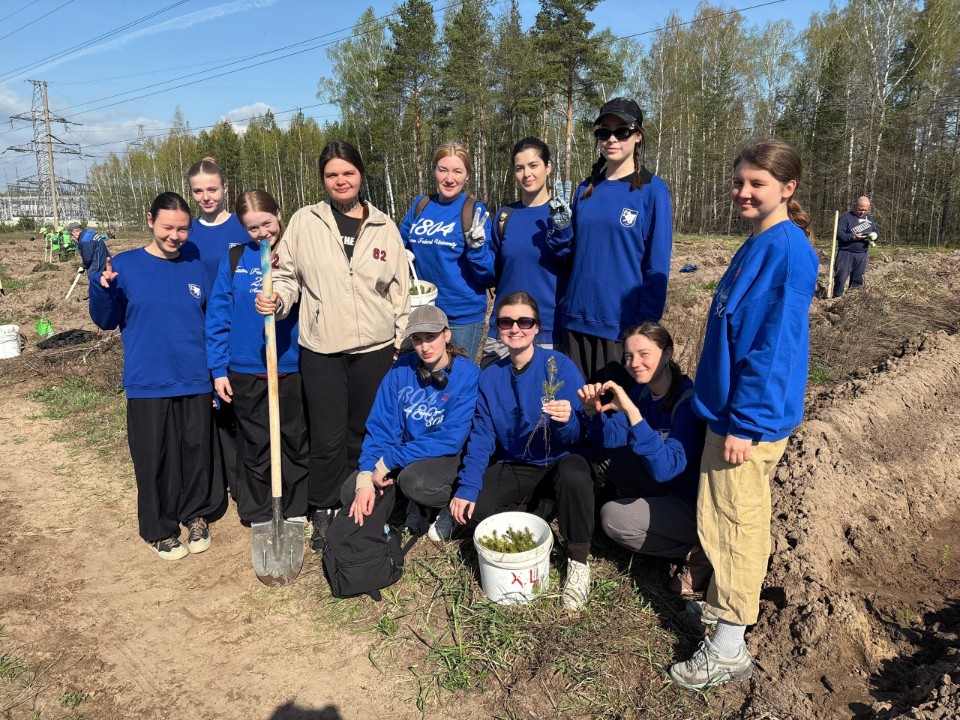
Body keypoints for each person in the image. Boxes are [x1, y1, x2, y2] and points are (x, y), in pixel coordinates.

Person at [668, 140, 818, 690]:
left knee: (737, 528)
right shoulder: (758, 243)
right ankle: (719, 615)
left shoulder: (785, 251)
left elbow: (773, 349)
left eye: (756, 183)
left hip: (745, 422)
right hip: (729, 412)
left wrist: (745, 424)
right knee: (721, 518)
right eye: (739, 182)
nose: (744, 192)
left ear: (788, 188)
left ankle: (729, 647)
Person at [256, 140, 410, 553]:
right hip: (322, 348)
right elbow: (286, 275)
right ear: (323, 180)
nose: (340, 181)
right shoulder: (306, 222)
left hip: (375, 349)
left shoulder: (383, 226)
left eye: (348, 173)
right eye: (331, 174)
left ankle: (360, 502)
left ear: (361, 176)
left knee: (364, 434)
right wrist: (280, 299)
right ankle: (322, 509)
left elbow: (400, 291)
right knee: (326, 437)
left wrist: (399, 341)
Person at [89, 192, 223, 560]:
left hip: (195, 377)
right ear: (150, 220)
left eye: (182, 229)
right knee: (153, 457)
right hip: (147, 379)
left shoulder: (195, 265)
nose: (174, 236)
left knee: (196, 453)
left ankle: (195, 516)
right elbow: (105, 320)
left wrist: (217, 372)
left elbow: (212, 320)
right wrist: (100, 289)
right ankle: (159, 529)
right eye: (167, 227)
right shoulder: (126, 265)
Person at [450, 291, 594, 610]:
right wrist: (469, 486)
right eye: (506, 321)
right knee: (478, 511)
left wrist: (566, 422)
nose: (515, 328)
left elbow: (576, 435)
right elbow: (483, 436)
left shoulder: (560, 368)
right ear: (497, 327)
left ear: (537, 327)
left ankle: (578, 563)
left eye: (524, 321)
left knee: (574, 475)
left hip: (560, 458)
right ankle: (542, 512)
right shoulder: (490, 377)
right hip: (517, 462)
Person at [578, 322, 708, 595]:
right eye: (629, 356)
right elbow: (613, 439)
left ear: (668, 354)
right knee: (603, 456)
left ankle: (703, 549)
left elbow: (666, 469)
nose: (634, 363)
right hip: (660, 488)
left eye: (644, 354)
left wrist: (632, 412)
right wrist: (593, 414)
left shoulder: (688, 404)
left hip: (690, 504)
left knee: (613, 518)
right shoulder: (643, 392)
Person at [205, 189, 308, 526]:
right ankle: (259, 511)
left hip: (292, 365)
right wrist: (219, 369)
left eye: (267, 223)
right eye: (253, 228)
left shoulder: (299, 257)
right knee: (256, 441)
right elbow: (218, 316)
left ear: (279, 213)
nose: (263, 233)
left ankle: (294, 508)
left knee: (294, 440)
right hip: (247, 367)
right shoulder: (236, 260)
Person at [339, 304, 480, 540]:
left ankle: (446, 504)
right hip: (406, 453)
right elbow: (381, 425)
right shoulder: (401, 369)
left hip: (446, 456)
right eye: (417, 339)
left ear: (447, 334)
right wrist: (366, 473)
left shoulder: (469, 375)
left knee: (415, 482)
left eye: (431, 337)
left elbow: (452, 438)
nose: (424, 347)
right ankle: (407, 499)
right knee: (349, 493)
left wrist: (391, 460)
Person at [561, 97, 673, 382]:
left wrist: (644, 329)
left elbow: (656, 266)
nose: (611, 139)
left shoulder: (652, 191)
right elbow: (570, 254)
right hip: (576, 321)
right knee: (578, 414)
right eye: (603, 132)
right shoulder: (585, 189)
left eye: (621, 131)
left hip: (620, 329)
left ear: (637, 136)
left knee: (613, 418)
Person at [187, 157, 248, 504]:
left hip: (237, 329)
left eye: (212, 189)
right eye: (199, 191)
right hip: (201, 330)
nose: (206, 197)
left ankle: (245, 481)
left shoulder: (241, 227)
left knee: (237, 403)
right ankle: (221, 478)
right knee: (214, 407)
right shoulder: (189, 233)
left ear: (225, 189)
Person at [399, 142, 494, 361]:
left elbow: (487, 274)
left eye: (457, 171)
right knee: (423, 380)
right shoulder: (421, 205)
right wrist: (400, 254)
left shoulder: (474, 211)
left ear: (467, 174)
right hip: (424, 312)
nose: (449, 178)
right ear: (434, 170)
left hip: (461, 315)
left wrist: (477, 249)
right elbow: (399, 243)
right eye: (443, 170)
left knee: (457, 382)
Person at [484, 137, 572, 364]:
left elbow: (572, 262)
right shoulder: (505, 216)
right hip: (504, 330)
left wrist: (563, 230)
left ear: (548, 167)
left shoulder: (564, 214)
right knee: (496, 397)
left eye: (534, 165)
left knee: (545, 398)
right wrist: (474, 249)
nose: (527, 174)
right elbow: (490, 271)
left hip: (547, 331)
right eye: (519, 168)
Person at [833, 195, 877, 297]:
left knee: (858, 279)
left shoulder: (869, 219)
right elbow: (839, 234)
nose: (862, 212)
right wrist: (853, 237)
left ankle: (852, 299)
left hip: (862, 254)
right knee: (841, 277)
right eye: (860, 209)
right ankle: (836, 297)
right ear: (855, 206)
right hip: (846, 253)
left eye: (865, 210)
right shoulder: (845, 218)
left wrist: (874, 236)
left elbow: (876, 231)